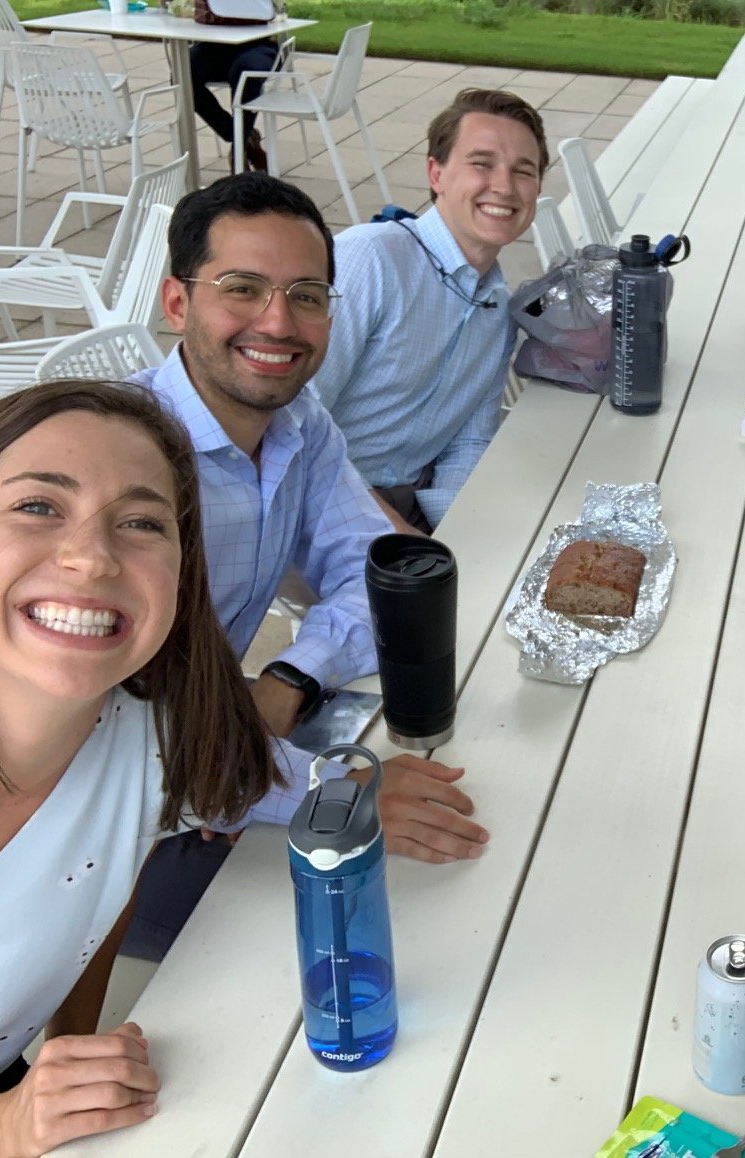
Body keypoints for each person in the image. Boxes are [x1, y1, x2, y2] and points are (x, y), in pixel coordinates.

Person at [124, 173, 487, 960]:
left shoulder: (297, 422)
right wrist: (329, 798)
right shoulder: (126, 469)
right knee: (395, 936)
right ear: (178, 304)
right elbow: (122, 735)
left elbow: (373, 579)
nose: (279, 322)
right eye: (243, 288)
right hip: (93, 850)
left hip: (216, 769)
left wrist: (288, 681)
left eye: (309, 295)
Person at [0, 380, 282, 1151]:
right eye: (39, 506)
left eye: (141, 522)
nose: (91, 558)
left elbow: (97, 885)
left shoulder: (154, 738)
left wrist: (70, 1050)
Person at [309, 89, 547, 535]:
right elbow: (297, 424)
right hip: (315, 498)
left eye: (524, 171)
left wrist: (459, 534)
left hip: (412, 496)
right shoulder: (371, 261)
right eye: (482, 164)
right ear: (435, 173)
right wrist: (401, 537)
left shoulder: (496, 305)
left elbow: (469, 442)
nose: (504, 186)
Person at [190, 43, 274, 174]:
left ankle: (239, 150)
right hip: (212, 44)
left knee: (246, 70)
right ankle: (240, 135)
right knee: (184, 69)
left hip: (258, 44)